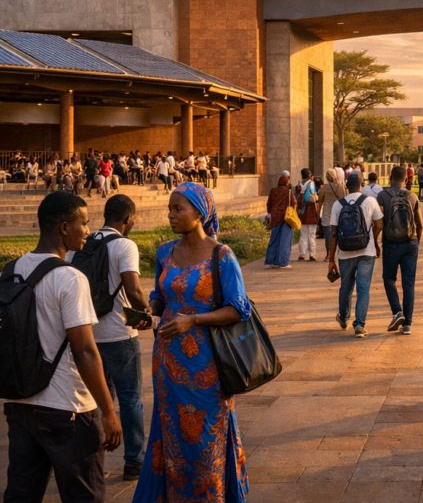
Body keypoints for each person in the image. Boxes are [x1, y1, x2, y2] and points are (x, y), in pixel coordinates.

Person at [3, 192, 122, 503]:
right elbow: (84, 351)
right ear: (65, 227)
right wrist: (108, 411)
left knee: (21, 493)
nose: (88, 230)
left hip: (20, 403)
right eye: (84, 223)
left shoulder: (11, 271)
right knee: (85, 495)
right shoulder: (70, 278)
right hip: (67, 407)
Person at [134, 184, 249, 503]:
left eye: (178, 209)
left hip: (207, 365)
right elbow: (160, 294)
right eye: (169, 209)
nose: (170, 215)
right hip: (167, 361)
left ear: (200, 213)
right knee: (170, 431)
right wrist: (151, 310)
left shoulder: (221, 255)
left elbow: (239, 307)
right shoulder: (163, 252)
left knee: (203, 436)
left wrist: (194, 319)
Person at [63, 194, 152, 482]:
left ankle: (92, 461)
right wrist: (148, 313)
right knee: (130, 400)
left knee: (96, 403)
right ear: (127, 219)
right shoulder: (125, 245)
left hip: (86, 336)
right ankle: (134, 461)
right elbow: (134, 289)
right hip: (119, 335)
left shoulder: (78, 246)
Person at [327, 172, 383, 338]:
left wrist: (331, 259)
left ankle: (344, 318)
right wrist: (374, 240)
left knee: (346, 287)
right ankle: (359, 325)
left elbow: (334, 234)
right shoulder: (370, 201)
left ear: (346, 186)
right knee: (363, 288)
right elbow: (379, 224)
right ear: (362, 184)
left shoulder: (338, 204)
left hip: (344, 253)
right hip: (367, 251)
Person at [378, 166, 423, 336]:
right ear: (406, 179)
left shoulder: (382, 196)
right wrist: (415, 243)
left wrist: (376, 241)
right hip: (410, 243)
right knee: (408, 284)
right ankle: (407, 325)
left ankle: (397, 312)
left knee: (389, 279)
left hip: (390, 243)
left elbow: (379, 222)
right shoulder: (413, 196)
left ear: (390, 178)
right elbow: (420, 225)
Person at [264, 174, 296, 269]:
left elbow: (269, 204)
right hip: (286, 217)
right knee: (285, 240)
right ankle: (282, 262)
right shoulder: (288, 191)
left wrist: (269, 215)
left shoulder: (273, 190)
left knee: (274, 239)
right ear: (287, 182)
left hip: (275, 216)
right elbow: (293, 203)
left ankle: (271, 261)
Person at [296, 168, 321, 262]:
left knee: (303, 235)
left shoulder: (298, 185)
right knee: (311, 234)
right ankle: (312, 254)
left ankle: (302, 254)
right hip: (311, 210)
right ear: (310, 175)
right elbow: (312, 195)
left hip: (302, 212)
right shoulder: (311, 184)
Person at [318, 168, 346, 248]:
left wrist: (317, 216)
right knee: (339, 235)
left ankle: (328, 255)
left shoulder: (323, 188)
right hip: (339, 214)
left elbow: (320, 203)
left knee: (328, 237)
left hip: (327, 215)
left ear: (327, 177)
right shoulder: (342, 187)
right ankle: (338, 252)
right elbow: (344, 200)